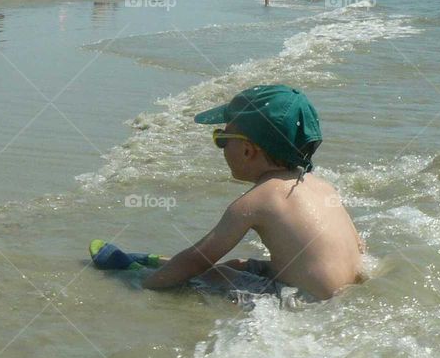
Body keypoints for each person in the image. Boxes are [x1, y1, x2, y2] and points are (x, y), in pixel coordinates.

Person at [91, 85, 364, 301]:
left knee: (219, 273)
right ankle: (160, 262)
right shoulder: (323, 186)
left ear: (248, 150)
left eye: (221, 139)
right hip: (345, 291)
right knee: (241, 265)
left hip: (306, 301)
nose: (220, 146)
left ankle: (146, 273)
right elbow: (358, 247)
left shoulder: (256, 201)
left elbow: (199, 258)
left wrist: (143, 287)